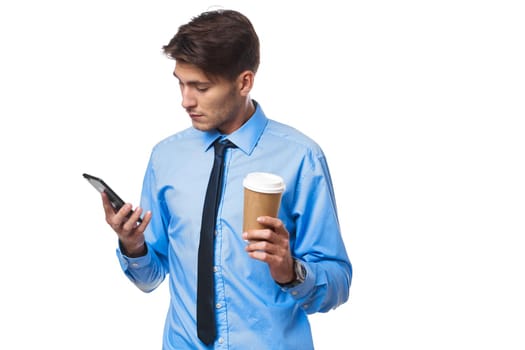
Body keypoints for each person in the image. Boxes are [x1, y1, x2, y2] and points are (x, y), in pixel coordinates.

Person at [101, 9, 352, 349]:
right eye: (181, 83)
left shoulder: (301, 159)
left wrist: (291, 270)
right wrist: (133, 245)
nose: (185, 101)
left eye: (201, 87)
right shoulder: (166, 158)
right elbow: (151, 277)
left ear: (244, 82)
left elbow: (337, 283)